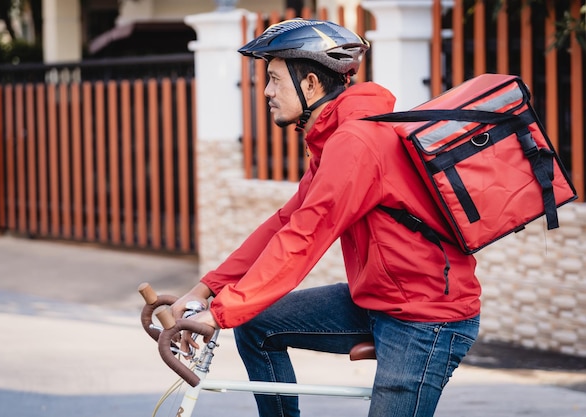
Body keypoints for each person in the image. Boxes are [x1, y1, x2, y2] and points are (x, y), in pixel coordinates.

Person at [171, 18, 481, 417]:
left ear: (312, 84)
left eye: (274, 79)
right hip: (379, 300)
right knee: (257, 325)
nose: (266, 92)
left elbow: (303, 239)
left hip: (425, 318)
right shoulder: (336, 140)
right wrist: (207, 289)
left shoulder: (356, 142)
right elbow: (285, 222)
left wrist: (220, 313)